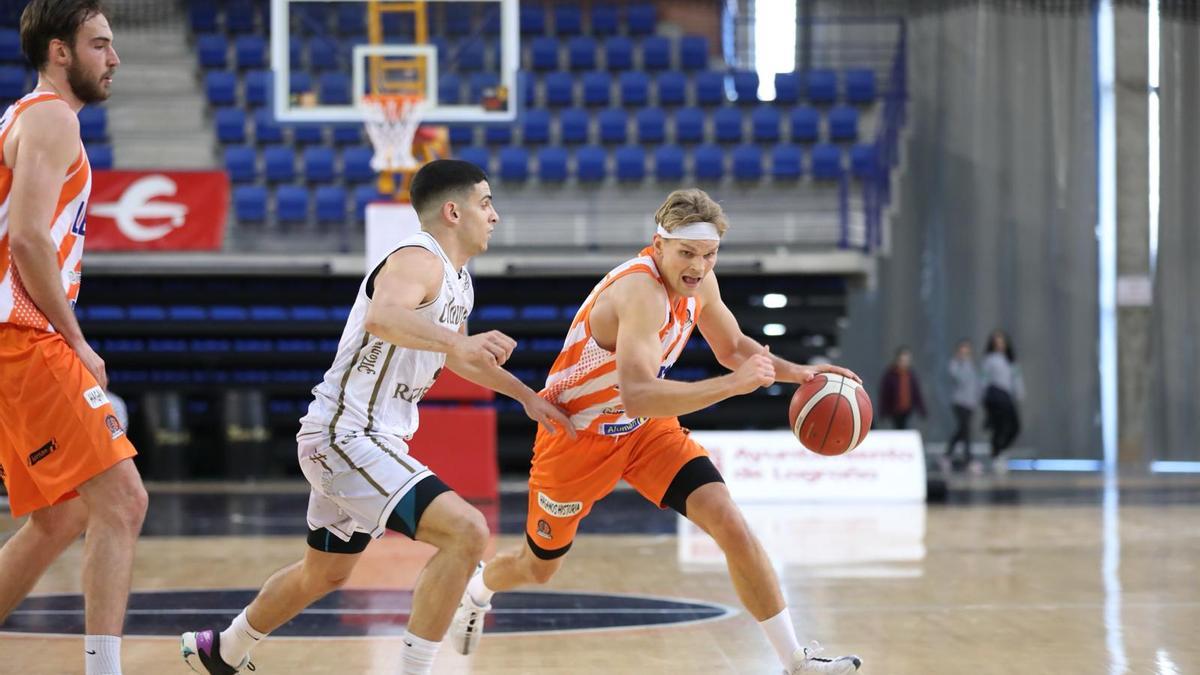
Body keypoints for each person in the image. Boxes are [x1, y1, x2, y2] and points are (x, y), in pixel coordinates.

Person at [180, 160, 574, 675]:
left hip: (364, 438)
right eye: (486, 202)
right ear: (453, 211)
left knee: (322, 575)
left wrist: (526, 396)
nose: (494, 215)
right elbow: (384, 318)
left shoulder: (459, 282)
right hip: (348, 435)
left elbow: (454, 355)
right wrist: (461, 339)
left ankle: (222, 648)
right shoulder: (417, 258)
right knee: (467, 533)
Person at [450, 189, 864, 674]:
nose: (698, 265)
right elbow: (640, 393)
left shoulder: (702, 282)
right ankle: (479, 588)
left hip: (646, 433)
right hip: (577, 436)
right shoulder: (639, 292)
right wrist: (735, 386)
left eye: (709, 255)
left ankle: (796, 660)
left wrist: (802, 374)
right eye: (687, 253)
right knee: (538, 567)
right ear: (659, 244)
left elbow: (732, 346)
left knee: (728, 520)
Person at [0, 3, 147, 675]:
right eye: (99, 44)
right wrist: (77, 338)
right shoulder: (52, 117)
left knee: (59, 518)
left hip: (13, 337)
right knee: (123, 499)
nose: (113, 57)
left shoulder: (25, 118)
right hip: (25, 333)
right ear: (59, 52)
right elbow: (28, 237)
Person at [980, 330, 1023, 472]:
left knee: (1014, 427)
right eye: (996, 343)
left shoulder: (1010, 360)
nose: (999, 345)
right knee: (1000, 426)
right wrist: (983, 396)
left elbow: (1016, 379)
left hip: (1007, 396)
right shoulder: (989, 360)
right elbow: (984, 378)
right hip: (995, 395)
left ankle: (1000, 451)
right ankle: (997, 455)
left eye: (1002, 342)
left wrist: (1020, 393)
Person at [945, 339, 979, 470]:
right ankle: (969, 458)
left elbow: (975, 383)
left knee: (962, 430)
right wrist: (963, 363)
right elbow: (960, 379)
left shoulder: (971, 365)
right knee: (966, 430)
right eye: (962, 351)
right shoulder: (954, 364)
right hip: (959, 402)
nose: (965, 354)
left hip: (970, 402)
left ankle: (947, 455)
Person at [879, 346, 926, 429]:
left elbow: (916, 394)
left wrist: (921, 409)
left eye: (906, 360)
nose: (904, 363)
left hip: (907, 409)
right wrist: (883, 411)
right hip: (894, 410)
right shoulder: (890, 375)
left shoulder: (911, 376)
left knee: (905, 429)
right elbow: (885, 395)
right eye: (902, 360)